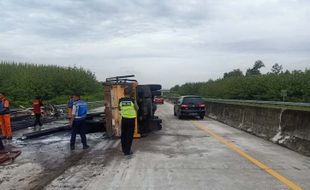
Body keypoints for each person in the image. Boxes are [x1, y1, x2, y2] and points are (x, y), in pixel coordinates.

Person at [119, 87, 139, 155]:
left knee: (123, 135)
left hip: (124, 119)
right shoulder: (133, 100)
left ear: (124, 93)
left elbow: (119, 108)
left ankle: (124, 150)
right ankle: (128, 151)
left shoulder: (120, 100)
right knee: (129, 135)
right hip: (131, 120)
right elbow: (137, 108)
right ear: (131, 93)